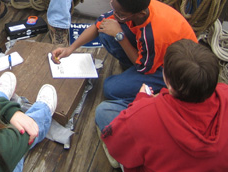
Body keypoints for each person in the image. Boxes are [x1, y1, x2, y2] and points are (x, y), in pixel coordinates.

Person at [52, 0, 198, 102]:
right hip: (153, 53)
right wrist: (70, 49)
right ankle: (131, 71)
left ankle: (153, 91)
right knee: (105, 31)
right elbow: (98, 26)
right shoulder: (133, 6)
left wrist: (120, 36)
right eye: (113, 8)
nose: (115, 15)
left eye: (120, 14)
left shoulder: (154, 34)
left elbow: (143, 68)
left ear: (140, 14)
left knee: (111, 89)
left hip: (173, 70)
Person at [95, 39, 228, 171]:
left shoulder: (142, 115)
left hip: (146, 128)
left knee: (103, 111)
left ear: (168, 82)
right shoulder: (224, 93)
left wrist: (140, 102)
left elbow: (116, 145)